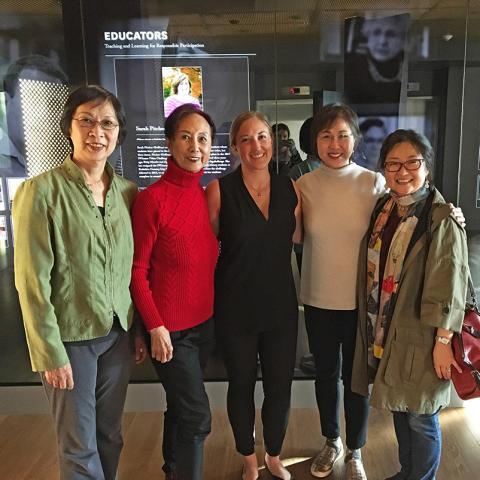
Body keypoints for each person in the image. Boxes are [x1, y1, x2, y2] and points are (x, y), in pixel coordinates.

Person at [13, 84, 146, 480]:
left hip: (117, 336)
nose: (97, 131)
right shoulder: (41, 192)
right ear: (68, 128)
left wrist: (137, 329)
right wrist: (49, 352)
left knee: (110, 435)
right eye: (85, 120)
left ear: (118, 132)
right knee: (78, 446)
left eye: (107, 123)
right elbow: (30, 281)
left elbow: (130, 270)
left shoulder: (128, 193)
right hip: (70, 340)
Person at [352, 129, 469, 480]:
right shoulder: (386, 208)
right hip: (388, 330)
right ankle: (408, 472)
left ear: (427, 167)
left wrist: (443, 342)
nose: (403, 171)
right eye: (393, 164)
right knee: (401, 409)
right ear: (384, 170)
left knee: (420, 416)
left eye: (412, 162)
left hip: (424, 335)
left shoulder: (440, 217)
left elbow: (449, 285)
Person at [206, 111, 302, 480]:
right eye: (246, 139)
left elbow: (302, 236)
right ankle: (248, 458)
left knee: (279, 386)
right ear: (235, 147)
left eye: (261, 137)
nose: (256, 146)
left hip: (280, 306)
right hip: (236, 305)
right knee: (241, 384)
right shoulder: (219, 190)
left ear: (272, 141)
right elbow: (210, 242)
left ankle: (274, 455)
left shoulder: (290, 187)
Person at [297, 104, 386, 480]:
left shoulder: (374, 183)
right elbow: (291, 234)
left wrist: (450, 212)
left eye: (342, 135)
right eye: (326, 136)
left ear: (355, 139)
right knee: (325, 375)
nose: (334, 144)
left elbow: (410, 211)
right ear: (315, 141)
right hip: (317, 299)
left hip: (359, 303)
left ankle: (355, 451)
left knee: (357, 380)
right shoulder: (303, 185)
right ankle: (331, 441)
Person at [130, 104, 218, 480]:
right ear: (169, 143)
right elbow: (136, 272)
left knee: (180, 408)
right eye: (185, 136)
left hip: (204, 326)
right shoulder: (152, 199)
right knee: (198, 417)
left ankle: (172, 470)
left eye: (203, 138)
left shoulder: (207, 196)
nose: (194, 146)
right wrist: (152, 327)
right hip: (170, 333)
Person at [345, 15, 407, 104]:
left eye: (390, 34)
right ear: (367, 37)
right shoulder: (352, 68)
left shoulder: (408, 66)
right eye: (376, 33)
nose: (382, 41)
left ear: (402, 41)